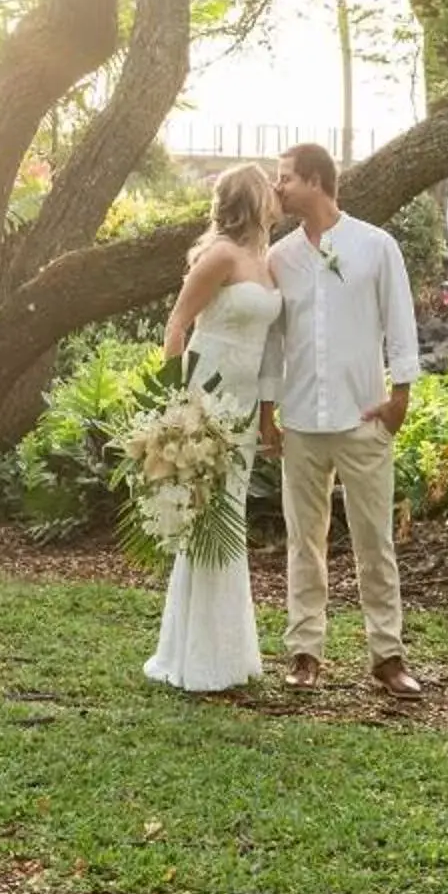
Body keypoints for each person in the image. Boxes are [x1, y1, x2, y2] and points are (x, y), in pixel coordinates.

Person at [258, 142, 422, 701]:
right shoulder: (278, 258)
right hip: (301, 422)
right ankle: (305, 653)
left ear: (316, 181)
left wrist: (400, 396)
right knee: (305, 542)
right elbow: (273, 343)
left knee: (375, 542)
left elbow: (401, 321)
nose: (277, 188)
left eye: (284, 178)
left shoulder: (376, 246)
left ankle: (388, 656)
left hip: (362, 419)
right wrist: (266, 411)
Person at [143, 162, 283, 695]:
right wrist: (181, 405)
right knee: (208, 522)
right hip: (208, 396)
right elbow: (177, 326)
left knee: (229, 519)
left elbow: (270, 345)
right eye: (268, 186)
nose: (276, 193)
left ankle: (227, 653)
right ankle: (196, 657)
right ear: (251, 198)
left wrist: (267, 413)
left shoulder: (265, 261)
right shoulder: (220, 255)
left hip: (244, 405)